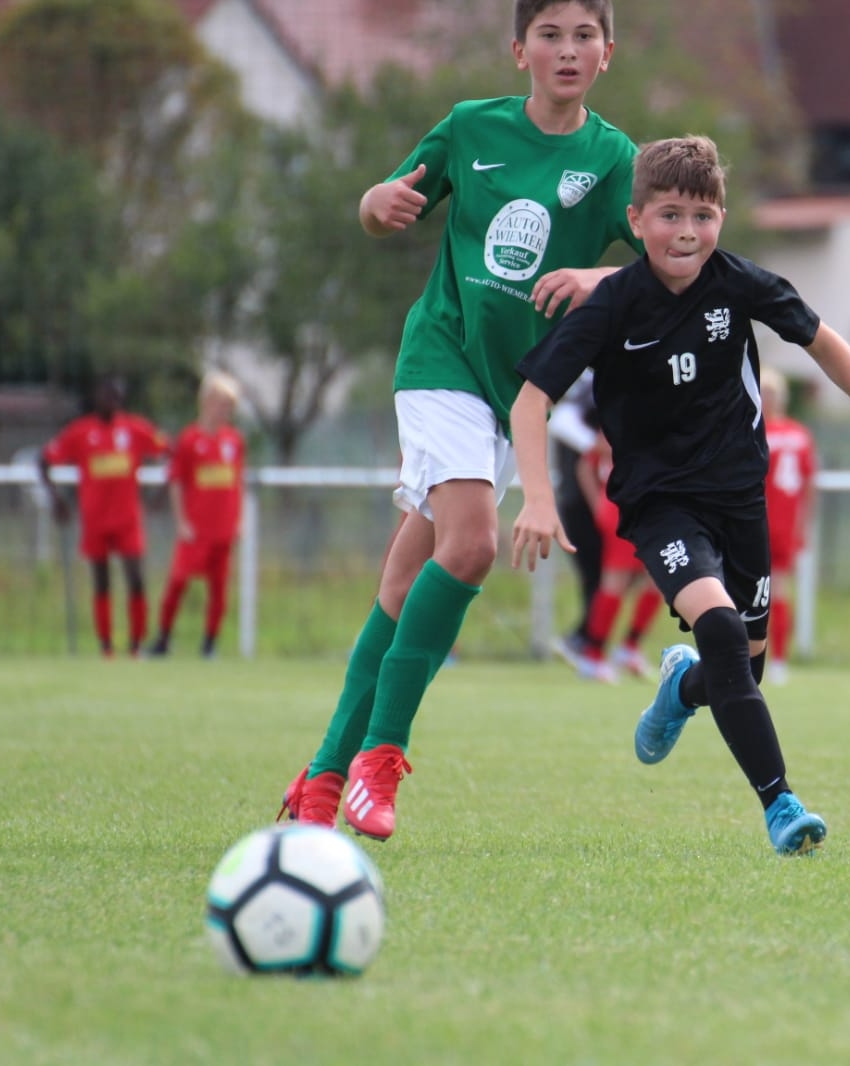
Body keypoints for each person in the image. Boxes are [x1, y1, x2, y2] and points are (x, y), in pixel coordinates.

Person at [510, 134, 850, 855]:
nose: (687, 232)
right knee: (719, 632)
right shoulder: (612, 304)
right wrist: (536, 496)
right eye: (670, 215)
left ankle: (682, 690)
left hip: (741, 502)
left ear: (722, 218)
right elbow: (531, 400)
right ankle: (782, 807)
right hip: (659, 504)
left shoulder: (740, 283)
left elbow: (822, 340)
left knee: (741, 668)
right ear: (636, 220)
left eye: (702, 216)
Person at [277, 0, 641, 840]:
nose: (567, 50)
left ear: (607, 53)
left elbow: (664, 261)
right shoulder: (471, 126)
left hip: (518, 397)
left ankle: (322, 777)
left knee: (405, 587)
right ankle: (379, 758)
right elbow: (381, 204)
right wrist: (374, 202)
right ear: (518, 50)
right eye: (549, 34)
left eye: (584, 35)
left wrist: (596, 277)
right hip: (440, 361)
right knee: (473, 545)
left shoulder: (615, 158)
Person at [39, 376, 169, 657]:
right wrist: (56, 500)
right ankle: (106, 647)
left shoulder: (134, 429)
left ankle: (136, 645)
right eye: (106, 395)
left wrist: (162, 494)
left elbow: (170, 451)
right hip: (95, 520)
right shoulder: (81, 432)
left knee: (136, 579)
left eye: (116, 396)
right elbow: (44, 459)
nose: (111, 401)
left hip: (128, 519)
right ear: (96, 397)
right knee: (101, 582)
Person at [149, 370, 248, 659]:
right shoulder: (190, 439)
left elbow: (237, 482)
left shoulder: (234, 441)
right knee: (178, 581)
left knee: (219, 589)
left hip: (224, 527)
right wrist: (182, 521)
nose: (225, 411)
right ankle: (163, 638)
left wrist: (239, 519)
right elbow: (177, 482)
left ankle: (209, 644)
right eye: (221, 404)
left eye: (230, 406)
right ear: (206, 402)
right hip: (196, 528)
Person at [573, 416, 663, 682]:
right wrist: (599, 504)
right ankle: (593, 655)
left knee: (659, 579)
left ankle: (630, 647)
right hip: (623, 509)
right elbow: (586, 463)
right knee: (615, 581)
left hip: (653, 511)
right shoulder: (623, 414)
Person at [546, 368, 606, 666]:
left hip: (607, 500)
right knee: (597, 575)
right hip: (579, 502)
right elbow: (560, 421)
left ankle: (589, 640)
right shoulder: (584, 388)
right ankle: (584, 641)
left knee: (609, 576)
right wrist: (597, 446)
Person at [761, 365, 816, 685]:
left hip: (761, 522)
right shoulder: (799, 434)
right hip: (785, 524)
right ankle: (777, 661)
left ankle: (774, 658)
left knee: (756, 591)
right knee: (777, 590)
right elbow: (809, 483)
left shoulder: (755, 432)